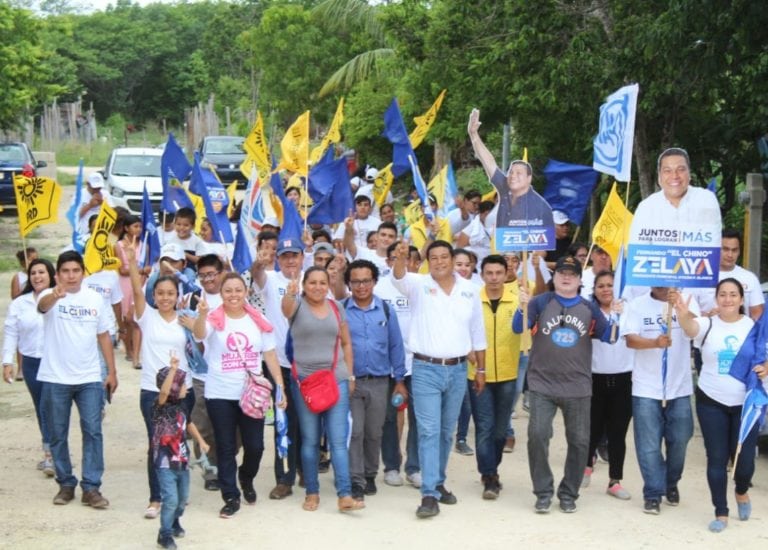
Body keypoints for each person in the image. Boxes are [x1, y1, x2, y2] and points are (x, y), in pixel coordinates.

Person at [391, 239, 487, 518]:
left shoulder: (471, 290)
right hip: (425, 370)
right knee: (429, 431)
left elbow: (478, 334)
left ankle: (438, 480)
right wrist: (399, 257)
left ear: (452, 258)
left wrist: (480, 370)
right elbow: (398, 277)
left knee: (446, 432)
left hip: (458, 370)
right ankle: (429, 494)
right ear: (426, 261)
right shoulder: (418, 284)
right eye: (433, 258)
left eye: (445, 257)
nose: (440, 262)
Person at [514, 256, 616, 514]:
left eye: (572, 273)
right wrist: (520, 307)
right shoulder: (540, 302)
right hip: (541, 384)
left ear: (581, 280)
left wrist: (615, 315)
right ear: (554, 277)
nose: (566, 277)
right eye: (561, 272)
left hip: (577, 386)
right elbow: (518, 328)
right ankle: (543, 491)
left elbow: (609, 337)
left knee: (580, 441)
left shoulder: (588, 307)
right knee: (537, 436)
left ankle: (569, 492)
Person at [193, 273, 286, 518]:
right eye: (228, 291)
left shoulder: (258, 320)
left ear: (246, 292)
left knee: (255, 446)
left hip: (252, 394)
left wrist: (280, 386)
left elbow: (270, 355)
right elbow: (200, 335)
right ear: (221, 294)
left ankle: (246, 477)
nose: (233, 295)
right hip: (220, 393)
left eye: (238, 290)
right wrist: (201, 315)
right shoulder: (213, 318)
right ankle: (231, 495)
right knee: (225, 447)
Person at [675, 278, 759, 533]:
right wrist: (681, 313)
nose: (728, 299)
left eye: (733, 294)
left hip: (746, 404)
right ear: (716, 298)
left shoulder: (753, 328)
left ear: (742, 300)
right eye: (723, 294)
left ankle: (742, 491)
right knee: (717, 458)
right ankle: (720, 511)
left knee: (744, 463)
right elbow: (690, 328)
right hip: (712, 400)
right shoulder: (708, 324)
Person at [37, 251, 117, 509]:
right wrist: (54, 295)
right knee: (58, 433)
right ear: (57, 274)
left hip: (89, 377)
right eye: (65, 271)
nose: (71, 276)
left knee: (93, 431)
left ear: (83, 272)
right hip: (55, 377)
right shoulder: (49, 295)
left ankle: (91, 487)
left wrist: (112, 372)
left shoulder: (94, 298)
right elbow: (42, 307)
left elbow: (104, 335)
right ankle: (66, 483)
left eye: (75, 270)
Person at [281, 267, 363, 513]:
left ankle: (345, 494)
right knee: (310, 441)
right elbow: (285, 308)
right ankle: (312, 492)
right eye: (312, 282)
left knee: (338, 441)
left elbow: (346, 343)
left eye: (322, 282)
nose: (317, 287)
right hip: (306, 383)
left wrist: (349, 374)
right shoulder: (296, 306)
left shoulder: (337, 307)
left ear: (329, 285)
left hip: (335, 378)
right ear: (304, 284)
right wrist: (289, 293)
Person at [123, 237, 193, 519]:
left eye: (170, 293)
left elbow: (200, 338)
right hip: (152, 392)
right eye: (160, 293)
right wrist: (131, 261)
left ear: (178, 296)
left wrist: (196, 321)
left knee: (178, 443)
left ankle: (178, 493)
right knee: (156, 443)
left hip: (183, 392)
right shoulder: (147, 317)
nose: (165, 297)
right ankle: (156, 498)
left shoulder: (185, 319)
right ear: (155, 296)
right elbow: (137, 293)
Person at [622, 286, 699, 515]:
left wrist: (680, 310)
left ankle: (671, 481)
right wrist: (654, 343)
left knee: (681, 439)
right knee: (648, 445)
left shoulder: (686, 300)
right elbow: (630, 340)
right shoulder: (636, 305)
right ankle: (653, 493)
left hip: (679, 386)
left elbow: (694, 331)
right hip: (646, 387)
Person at [246, 237, 305, 500]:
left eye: (295, 255)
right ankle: (284, 478)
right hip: (279, 364)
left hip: (309, 365)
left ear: (303, 257)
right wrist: (258, 263)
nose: (290, 260)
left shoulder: (313, 280)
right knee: (284, 421)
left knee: (308, 421)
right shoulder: (270, 279)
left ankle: (306, 468)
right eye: (285, 256)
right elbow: (256, 274)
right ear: (277, 259)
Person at [343, 260, 407, 501]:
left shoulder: (386, 310)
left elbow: (396, 345)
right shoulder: (341, 310)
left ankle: (370, 474)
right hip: (351, 382)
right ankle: (356, 480)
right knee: (355, 431)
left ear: (374, 282)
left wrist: (399, 379)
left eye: (366, 281)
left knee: (373, 432)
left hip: (380, 382)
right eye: (356, 281)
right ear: (349, 284)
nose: (361, 286)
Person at [469, 255, 525, 499]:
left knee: (501, 431)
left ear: (506, 274)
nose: (493, 278)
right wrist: (468, 353)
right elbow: (462, 329)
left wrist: (525, 307)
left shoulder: (516, 300)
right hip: (478, 373)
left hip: (508, 372)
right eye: (489, 273)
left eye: (498, 273)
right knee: (484, 427)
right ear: (482, 275)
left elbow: (521, 328)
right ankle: (489, 476)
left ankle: (492, 467)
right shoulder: (472, 300)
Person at [581, 270, 634, 500]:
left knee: (617, 433)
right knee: (591, 429)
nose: (606, 289)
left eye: (610, 285)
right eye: (601, 285)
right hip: (594, 378)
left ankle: (615, 480)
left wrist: (620, 315)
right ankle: (585, 466)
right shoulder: (588, 313)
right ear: (594, 290)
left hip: (623, 379)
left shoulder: (629, 312)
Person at [3, 258, 55, 475]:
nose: (37, 277)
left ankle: (54, 452)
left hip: (56, 362)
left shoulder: (60, 299)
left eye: (41, 272)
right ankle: (50, 453)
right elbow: (11, 332)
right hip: (32, 363)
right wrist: (7, 361)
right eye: (33, 273)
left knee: (52, 406)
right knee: (41, 407)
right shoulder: (19, 304)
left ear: (51, 275)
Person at [152, 356, 210, 549]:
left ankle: (174, 521)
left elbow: (189, 424)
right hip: (165, 463)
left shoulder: (183, 406)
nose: (187, 387)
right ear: (175, 388)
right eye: (183, 384)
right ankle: (165, 534)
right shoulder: (159, 407)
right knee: (170, 499)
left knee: (182, 499)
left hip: (182, 461)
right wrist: (173, 370)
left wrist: (201, 441)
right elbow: (164, 392)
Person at [467, 109, 554, 235]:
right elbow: (489, 162)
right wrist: (473, 135)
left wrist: (533, 254)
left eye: (519, 174)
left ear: (529, 179)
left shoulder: (540, 206)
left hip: (523, 254)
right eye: (511, 173)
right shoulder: (505, 190)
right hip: (496, 252)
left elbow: (544, 240)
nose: (513, 176)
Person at [379, 242, 422, 489]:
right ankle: (392, 465)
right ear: (389, 261)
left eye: (410, 258)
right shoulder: (381, 288)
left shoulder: (425, 286)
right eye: (398, 258)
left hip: (419, 364)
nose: (406, 262)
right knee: (389, 417)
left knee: (418, 418)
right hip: (388, 366)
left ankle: (414, 467)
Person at [180, 254, 225, 492]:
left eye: (212, 274)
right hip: (200, 373)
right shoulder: (190, 299)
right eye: (203, 275)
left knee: (230, 426)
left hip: (228, 372)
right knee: (203, 425)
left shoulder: (233, 295)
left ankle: (226, 460)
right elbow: (182, 329)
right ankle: (210, 470)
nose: (207, 279)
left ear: (221, 274)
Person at [711, 229, 764, 320]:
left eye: (734, 250)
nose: (730, 255)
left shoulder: (749, 278)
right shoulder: (701, 277)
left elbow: (758, 316)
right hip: (708, 332)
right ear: (716, 249)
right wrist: (708, 317)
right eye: (725, 249)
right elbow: (690, 315)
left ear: (739, 252)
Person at [115, 215, 145, 369]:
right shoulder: (119, 245)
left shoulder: (144, 245)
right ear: (126, 228)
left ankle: (136, 355)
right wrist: (138, 269)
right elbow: (121, 269)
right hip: (125, 285)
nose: (138, 229)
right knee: (126, 319)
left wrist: (141, 274)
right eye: (135, 226)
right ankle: (129, 349)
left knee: (136, 319)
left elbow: (148, 267)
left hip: (140, 283)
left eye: (140, 226)